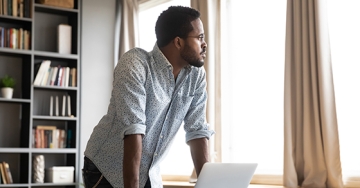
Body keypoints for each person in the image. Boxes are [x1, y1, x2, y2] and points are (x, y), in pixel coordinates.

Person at [82, 5, 214, 188]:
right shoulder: (135, 64)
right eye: (199, 37)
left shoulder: (196, 76)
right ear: (178, 42)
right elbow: (133, 128)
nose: (204, 44)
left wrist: (209, 184)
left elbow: (197, 130)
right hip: (106, 170)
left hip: (149, 173)